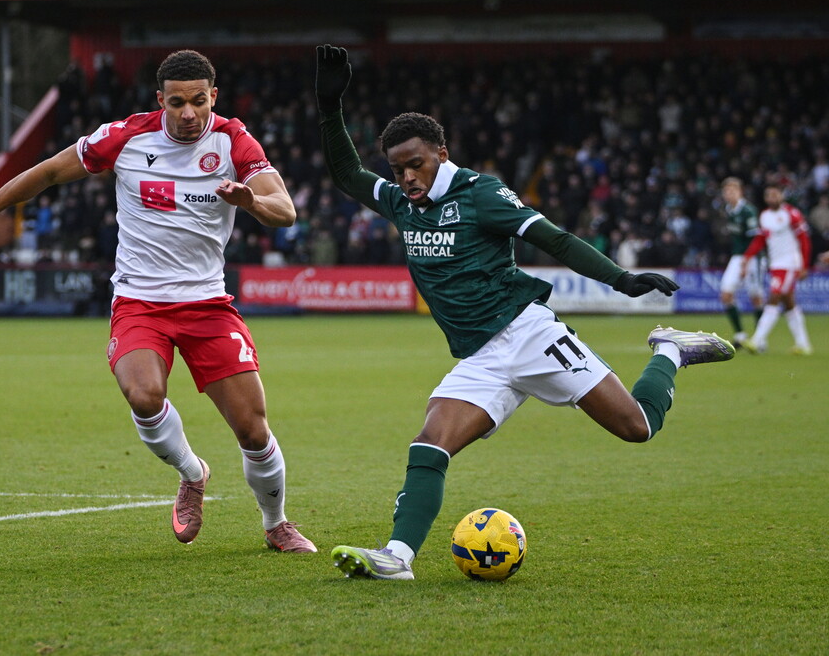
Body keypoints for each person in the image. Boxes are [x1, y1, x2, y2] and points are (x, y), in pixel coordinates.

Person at [314, 45, 734, 581]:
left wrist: (623, 280)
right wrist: (331, 106)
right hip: (480, 357)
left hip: (528, 333)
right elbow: (348, 173)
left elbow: (554, 240)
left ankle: (670, 350)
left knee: (637, 427)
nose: (407, 178)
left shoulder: (481, 193)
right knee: (428, 443)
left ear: (441, 152)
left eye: (415, 164)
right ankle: (398, 558)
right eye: (398, 169)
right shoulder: (401, 201)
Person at [0, 49, 316, 553]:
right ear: (160, 99)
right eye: (178, 102)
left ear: (214, 97)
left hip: (208, 304)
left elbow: (286, 211)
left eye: (199, 102)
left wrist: (249, 200)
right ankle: (192, 474)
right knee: (143, 395)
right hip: (140, 302)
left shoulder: (233, 140)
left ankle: (276, 523)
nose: (189, 114)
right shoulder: (125, 137)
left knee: (253, 430)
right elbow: (50, 172)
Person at [740, 183, 813, 355]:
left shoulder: (792, 214)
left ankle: (757, 340)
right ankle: (803, 344)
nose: (771, 198)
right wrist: (747, 257)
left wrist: (804, 265)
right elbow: (760, 239)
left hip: (790, 263)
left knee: (773, 297)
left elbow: (804, 241)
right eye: (768, 195)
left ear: (782, 196)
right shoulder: (764, 216)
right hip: (776, 264)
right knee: (789, 303)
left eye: (775, 195)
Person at [718, 177, 765, 348]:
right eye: (726, 191)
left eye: (732, 191)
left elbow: (755, 239)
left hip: (753, 257)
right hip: (737, 256)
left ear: (740, 192)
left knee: (756, 297)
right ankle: (740, 335)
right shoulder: (729, 210)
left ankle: (760, 339)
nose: (729, 194)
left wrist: (746, 261)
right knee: (726, 294)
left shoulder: (748, 211)